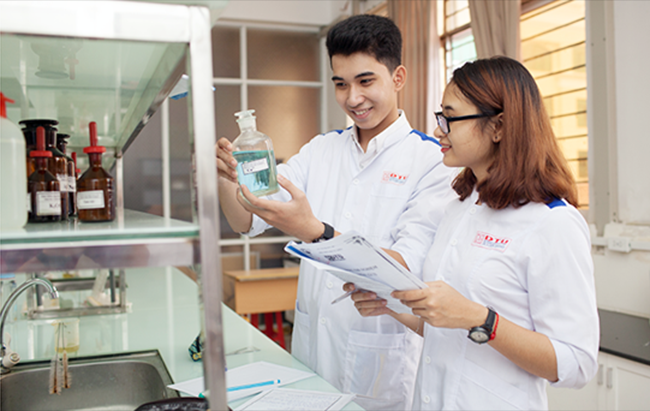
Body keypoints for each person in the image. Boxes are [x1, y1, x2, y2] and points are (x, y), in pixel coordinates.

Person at [215, 14, 457, 410]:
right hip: (312, 356)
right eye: (341, 84)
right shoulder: (320, 150)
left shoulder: (431, 161)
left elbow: (405, 267)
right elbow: (248, 220)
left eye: (365, 81)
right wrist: (226, 179)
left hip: (381, 365)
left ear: (398, 77)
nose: (352, 98)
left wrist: (316, 232)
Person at [347, 56, 599, 410]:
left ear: (498, 127)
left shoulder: (552, 223)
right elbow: (449, 328)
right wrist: (389, 306)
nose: (439, 130)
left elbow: (576, 364)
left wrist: (481, 319)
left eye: (450, 118)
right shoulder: (459, 209)